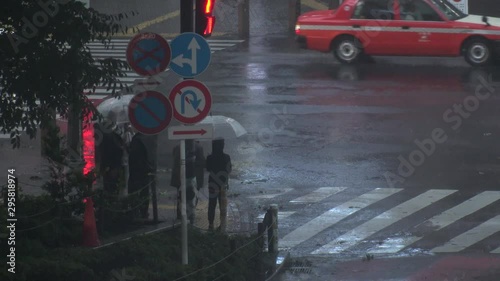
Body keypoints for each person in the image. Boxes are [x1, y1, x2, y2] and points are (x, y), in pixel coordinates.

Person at [171, 140, 205, 224]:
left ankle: (180, 220)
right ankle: (190, 221)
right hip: (193, 178)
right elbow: (201, 164)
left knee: (181, 199)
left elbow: (175, 162)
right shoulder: (198, 147)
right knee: (192, 200)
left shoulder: (177, 147)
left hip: (180, 178)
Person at [206, 138, 232, 232]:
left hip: (212, 184)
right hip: (223, 184)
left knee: (212, 204)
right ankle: (222, 225)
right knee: (223, 206)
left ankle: (210, 225)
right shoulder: (226, 157)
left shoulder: (210, 157)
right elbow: (229, 170)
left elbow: (208, 169)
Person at [128, 132, 153, 219]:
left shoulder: (137, 140)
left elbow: (134, 157)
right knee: (144, 193)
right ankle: (143, 212)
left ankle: (136, 213)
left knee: (135, 192)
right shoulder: (146, 138)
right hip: (145, 170)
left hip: (137, 171)